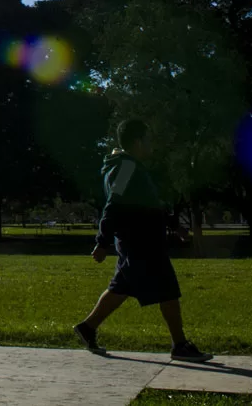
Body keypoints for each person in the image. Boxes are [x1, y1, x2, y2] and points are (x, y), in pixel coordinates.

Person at [73, 119, 212, 362]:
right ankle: (180, 345)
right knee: (168, 289)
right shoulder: (126, 168)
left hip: (137, 241)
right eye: (148, 139)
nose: (151, 144)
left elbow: (149, 205)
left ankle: (87, 328)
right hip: (141, 243)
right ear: (138, 142)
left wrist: (173, 225)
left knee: (120, 288)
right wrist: (102, 241)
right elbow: (113, 205)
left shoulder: (129, 166)